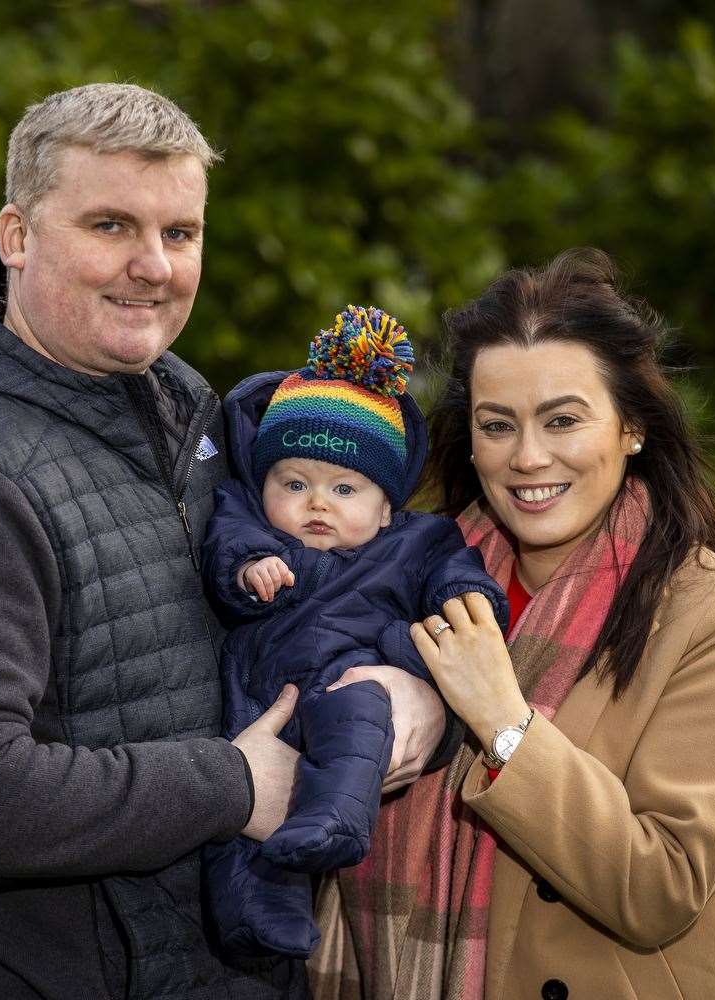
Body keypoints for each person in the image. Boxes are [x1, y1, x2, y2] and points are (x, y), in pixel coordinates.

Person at [0, 83, 447, 1000]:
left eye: (180, 234)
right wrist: (233, 788)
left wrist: (414, 700)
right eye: (111, 226)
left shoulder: (197, 413)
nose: (154, 267)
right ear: (16, 238)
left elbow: (330, 588)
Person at [309, 249, 715, 1000]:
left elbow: (661, 886)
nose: (528, 457)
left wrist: (504, 723)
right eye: (497, 424)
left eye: (563, 420)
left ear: (631, 425)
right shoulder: (394, 585)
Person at [200, 306, 507, 960]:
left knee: (363, 717)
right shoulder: (253, 522)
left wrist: (468, 597)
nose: (316, 503)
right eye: (295, 482)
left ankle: (338, 818)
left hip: (350, 674)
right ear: (265, 483)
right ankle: (253, 918)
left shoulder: (416, 540)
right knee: (244, 821)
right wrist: (250, 568)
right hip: (261, 687)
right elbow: (224, 544)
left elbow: (456, 572)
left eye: (344, 487)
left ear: (386, 504)